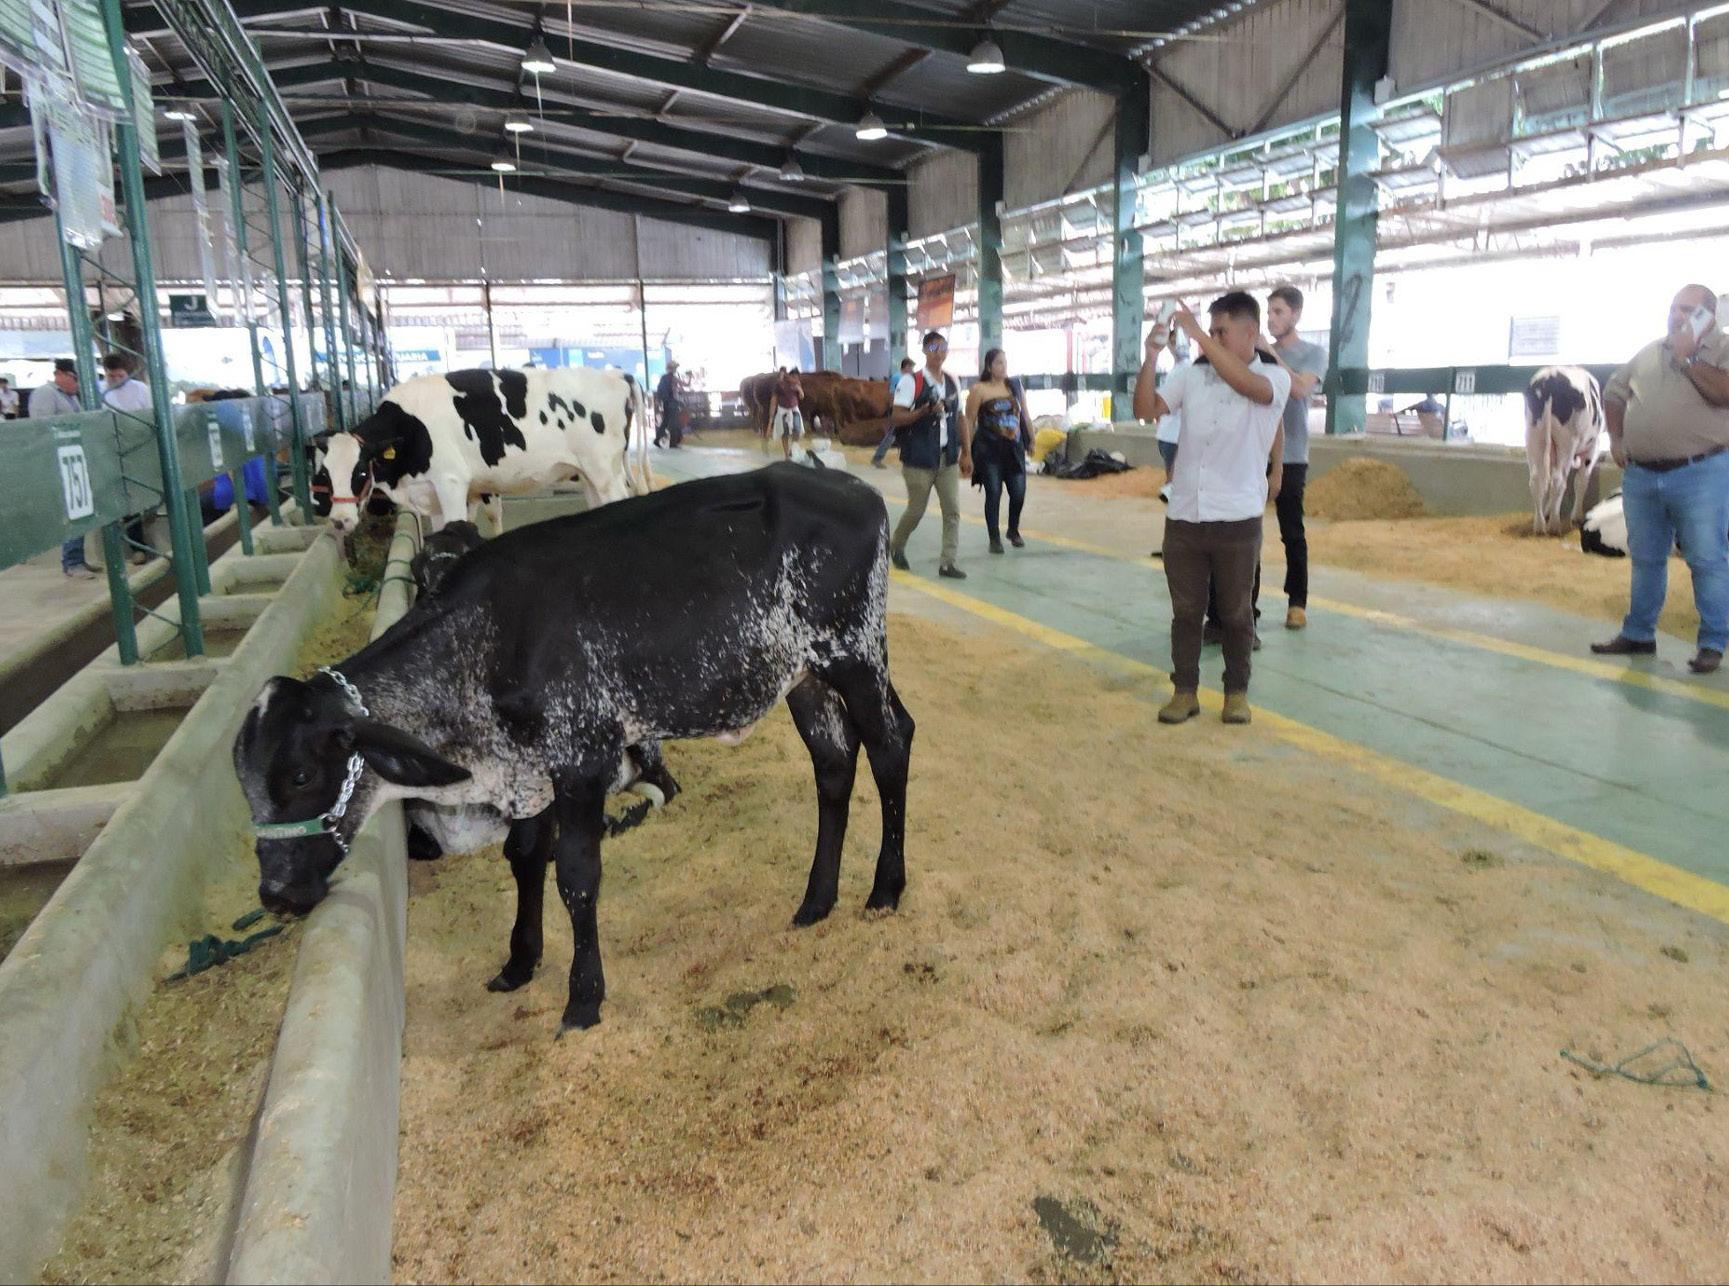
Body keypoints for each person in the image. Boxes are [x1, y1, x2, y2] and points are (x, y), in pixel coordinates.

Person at [1134, 292, 1290, 726]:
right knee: (1186, 612)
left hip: (1237, 517)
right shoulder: (1191, 376)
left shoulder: (1274, 379)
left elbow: (1249, 388)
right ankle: (1184, 690)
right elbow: (1145, 409)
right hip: (1185, 515)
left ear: (1250, 333)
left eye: (1222, 331)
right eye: (1212, 331)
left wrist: (1198, 334)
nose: (1213, 339)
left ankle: (1236, 692)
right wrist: (1151, 357)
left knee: (1237, 614)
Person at [1591, 283, 1729, 675]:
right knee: (1647, 558)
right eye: (1673, 308)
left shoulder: (1723, 349)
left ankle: (1712, 642)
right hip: (1642, 475)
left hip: (1701, 473)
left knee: (1707, 558)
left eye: (1687, 309)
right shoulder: (1650, 352)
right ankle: (1638, 633)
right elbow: (1614, 392)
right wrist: (1616, 439)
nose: (1677, 316)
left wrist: (1688, 358)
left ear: (1708, 315)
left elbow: (1725, 394)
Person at [1263, 285, 1327, 631]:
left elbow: (1300, 389)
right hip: (1256, 452)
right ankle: (1244, 603)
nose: (1271, 319)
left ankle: (1297, 602)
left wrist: (1269, 355)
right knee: (1244, 531)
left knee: (1292, 532)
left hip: (1291, 456)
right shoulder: (1259, 354)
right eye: (1269, 312)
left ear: (1296, 315)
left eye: (1279, 312)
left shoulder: (1313, 353)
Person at [887, 330, 970, 579]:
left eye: (943, 348)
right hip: (918, 459)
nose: (939, 353)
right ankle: (896, 545)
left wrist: (967, 452)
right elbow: (896, 417)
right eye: (933, 348)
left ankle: (948, 563)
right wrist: (923, 411)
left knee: (952, 511)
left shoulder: (953, 381)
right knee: (916, 510)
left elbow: (960, 418)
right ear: (924, 351)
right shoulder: (911, 382)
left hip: (947, 458)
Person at [31, 359, 98, 580]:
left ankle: (77, 557)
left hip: (74, 459)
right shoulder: (46, 394)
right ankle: (72, 561)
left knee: (80, 509)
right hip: (58, 461)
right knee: (71, 510)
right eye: (74, 378)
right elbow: (41, 428)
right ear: (59, 374)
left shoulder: (70, 396)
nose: (76, 383)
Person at [966, 347, 1031, 554]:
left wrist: (1031, 440)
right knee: (993, 492)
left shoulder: (1015, 386)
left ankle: (1013, 529)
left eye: (1005, 362)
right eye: (999, 363)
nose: (1003, 367)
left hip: (1014, 449)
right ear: (989, 366)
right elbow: (969, 421)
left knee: (1018, 492)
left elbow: (1025, 415)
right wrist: (966, 451)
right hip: (989, 450)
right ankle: (994, 538)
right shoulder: (979, 390)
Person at [100, 353, 157, 565]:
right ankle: (136, 548)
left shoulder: (141, 390)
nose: (115, 380)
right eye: (111, 376)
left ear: (128, 373)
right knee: (127, 499)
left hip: (141, 448)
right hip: (113, 450)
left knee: (146, 493)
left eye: (120, 375)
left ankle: (148, 517)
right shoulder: (98, 390)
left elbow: (152, 417)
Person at [872, 358, 917, 468]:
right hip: (899, 411)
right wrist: (894, 411)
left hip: (905, 410)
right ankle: (877, 458)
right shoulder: (898, 377)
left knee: (901, 435)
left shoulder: (907, 378)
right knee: (891, 435)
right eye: (911, 367)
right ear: (906, 367)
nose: (912, 370)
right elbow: (892, 394)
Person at [769, 367, 805, 461]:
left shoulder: (797, 384)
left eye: (797, 377)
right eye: (794, 377)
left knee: (797, 430)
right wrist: (770, 420)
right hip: (783, 411)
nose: (795, 379)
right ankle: (786, 454)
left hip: (794, 410)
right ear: (789, 376)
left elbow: (802, 396)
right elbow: (774, 400)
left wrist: (799, 390)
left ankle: (792, 450)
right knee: (784, 432)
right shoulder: (779, 384)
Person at [654, 359, 684, 449]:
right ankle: (673, 443)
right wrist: (690, 377)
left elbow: (660, 389)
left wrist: (659, 400)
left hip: (666, 402)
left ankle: (657, 439)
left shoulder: (664, 378)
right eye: (675, 368)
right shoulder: (673, 378)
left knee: (665, 422)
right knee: (674, 422)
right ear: (673, 368)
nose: (676, 369)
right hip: (672, 402)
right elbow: (685, 384)